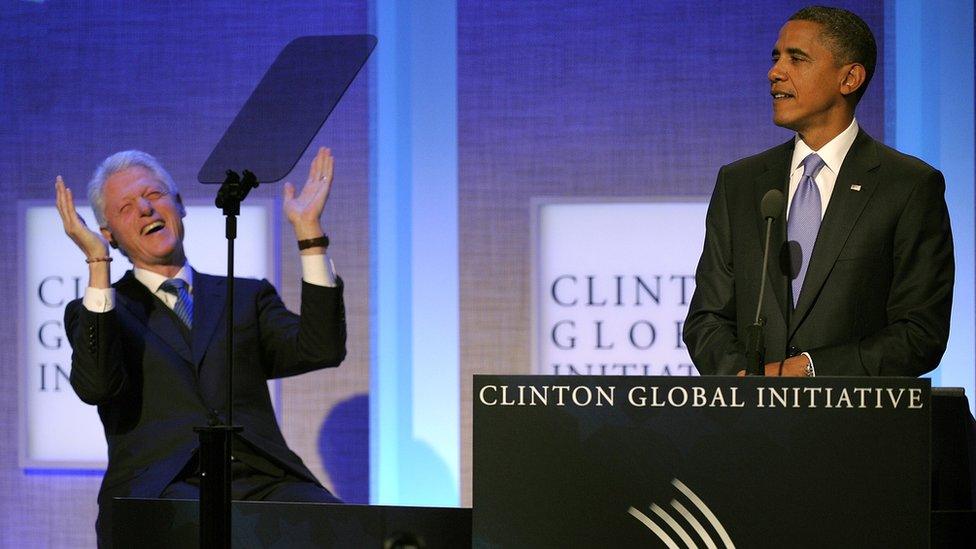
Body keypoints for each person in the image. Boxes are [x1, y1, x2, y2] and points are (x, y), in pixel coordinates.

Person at [55, 147, 346, 546]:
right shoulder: (103, 310)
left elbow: (320, 348)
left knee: (345, 528)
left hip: (264, 481)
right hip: (163, 489)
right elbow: (97, 387)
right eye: (125, 207)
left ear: (179, 204)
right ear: (108, 233)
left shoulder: (246, 296)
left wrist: (309, 234)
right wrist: (97, 264)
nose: (145, 208)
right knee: (197, 533)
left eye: (155, 194)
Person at [684, 6, 954, 377]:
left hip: (854, 427)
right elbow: (707, 318)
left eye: (797, 59)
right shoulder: (740, 183)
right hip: (751, 426)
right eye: (776, 57)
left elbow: (920, 333)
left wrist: (810, 369)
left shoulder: (907, 186)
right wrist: (745, 382)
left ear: (849, 78)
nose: (775, 72)